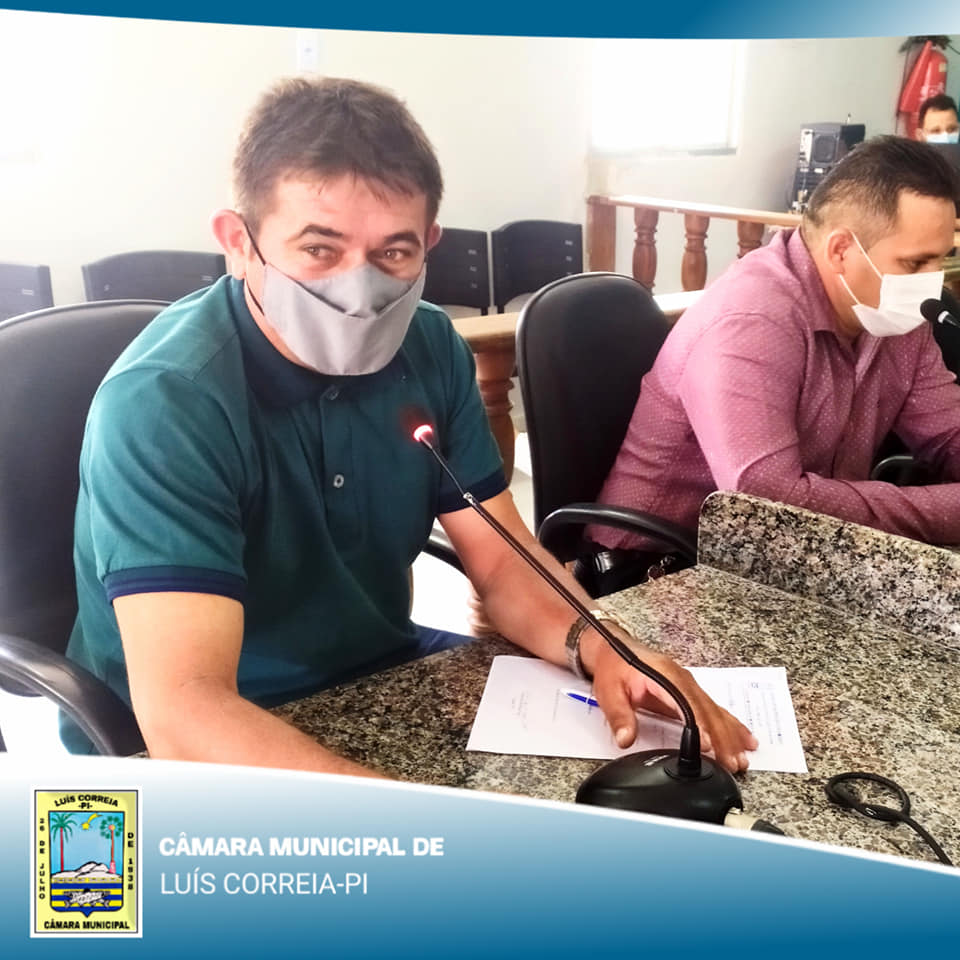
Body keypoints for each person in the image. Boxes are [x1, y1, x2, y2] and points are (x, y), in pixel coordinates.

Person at [63, 77, 756, 774]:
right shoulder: (167, 401)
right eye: (320, 250)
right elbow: (185, 710)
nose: (358, 291)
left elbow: (501, 562)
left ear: (429, 244)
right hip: (196, 735)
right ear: (238, 243)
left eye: (393, 253)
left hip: (379, 671)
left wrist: (604, 645)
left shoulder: (429, 345)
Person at [594, 136, 960, 564]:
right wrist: (948, 510)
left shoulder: (896, 316)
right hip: (659, 564)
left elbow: (950, 435)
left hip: (795, 556)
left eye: (941, 259)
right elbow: (768, 503)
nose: (931, 283)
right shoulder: (752, 318)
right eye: (915, 264)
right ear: (841, 250)